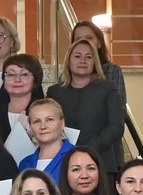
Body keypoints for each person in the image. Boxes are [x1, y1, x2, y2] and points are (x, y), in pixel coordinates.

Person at [48, 38, 125, 172]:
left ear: (95, 62)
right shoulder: (55, 92)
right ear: (68, 60)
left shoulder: (107, 88)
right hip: (63, 163)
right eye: (77, 56)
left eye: (89, 57)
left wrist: (88, 149)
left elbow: (116, 127)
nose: (83, 61)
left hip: (101, 162)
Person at [0, 55, 46, 160]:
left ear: (35, 82)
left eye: (24, 74)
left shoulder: (45, 113)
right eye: (11, 74)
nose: (17, 79)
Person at [16, 98, 74, 182]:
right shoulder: (25, 164)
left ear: (62, 123)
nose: (43, 126)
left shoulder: (77, 156)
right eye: (37, 121)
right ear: (30, 127)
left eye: (49, 120)